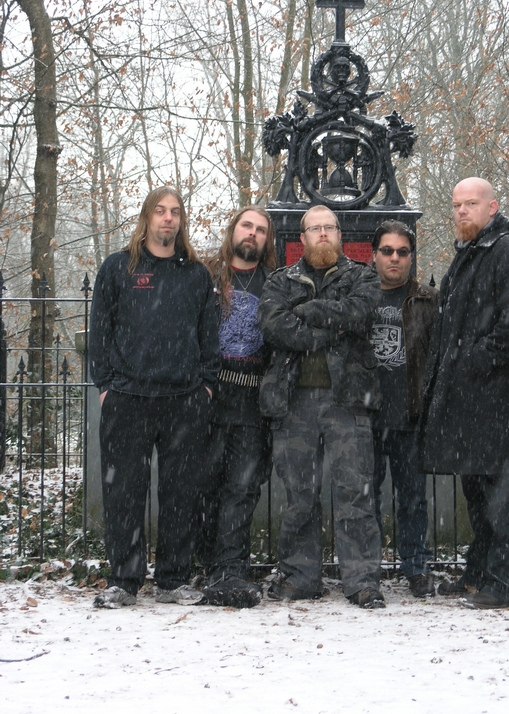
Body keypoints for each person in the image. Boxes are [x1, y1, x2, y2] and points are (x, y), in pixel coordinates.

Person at [89, 186, 220, 609]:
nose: (168, 218)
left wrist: (205, 386)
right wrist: (106, 386)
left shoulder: (196, 275)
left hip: (184, 400)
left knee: (182, 494)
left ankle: (172, 580)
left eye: (175, 212)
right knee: (124, 493)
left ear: (181, 221)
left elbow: (209, 336)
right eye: (160, 211)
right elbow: (100, 331)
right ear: (147, 217)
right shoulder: (118, 268)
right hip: (127, 397)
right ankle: (124, 581)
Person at [258, 205, 385, 609]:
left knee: (355, 492)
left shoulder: (362, 276)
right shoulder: (280, 281)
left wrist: (309, 312)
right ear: (302, 237)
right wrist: (328, 331)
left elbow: (360, 312)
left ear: (339, 233)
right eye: (315, 228)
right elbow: (274, 326)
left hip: (348, 400)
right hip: (292, 402)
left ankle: (362, 581)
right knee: (299, 495)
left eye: (330, 227)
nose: (323, 233)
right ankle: (301, 577)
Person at [420, 177, 509, 609]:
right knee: (479, 495)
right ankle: (480, 573)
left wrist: (469, 363)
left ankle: (506, 584)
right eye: (456, 205)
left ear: (492, 207)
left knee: (503, 497)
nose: (462, 211)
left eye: (471, 203)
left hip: (497, 401)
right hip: (468, 401)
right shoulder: (468, 255)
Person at [200, 206, 276, 608]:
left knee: (242, 488)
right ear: (234, 230)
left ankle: (231, 569)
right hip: (208, 397)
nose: (253, 233)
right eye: (247, 225)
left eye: (261, 229)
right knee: (204, 484)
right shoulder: (205, 276)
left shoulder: (275, 284)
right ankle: (207, 564)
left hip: (251, 402)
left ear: (267, 240)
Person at [370, 220, 439, 597]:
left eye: (402, 251)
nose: (394, 258)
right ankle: (366, 567)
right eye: (387, 251)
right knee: (365, 498)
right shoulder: (359, 295)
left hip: (410, 415)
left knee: (412, 499)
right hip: (364, 416)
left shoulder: (428, 300)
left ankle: (416, 566)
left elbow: (438, 356)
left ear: (411, 256)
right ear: (374, 255)